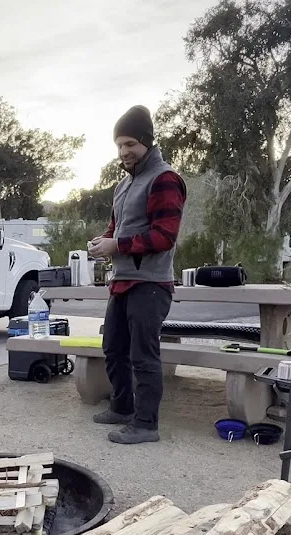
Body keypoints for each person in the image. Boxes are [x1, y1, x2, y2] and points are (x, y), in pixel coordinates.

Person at [88, 105, 186, 444]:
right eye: (119, 145)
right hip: (123, 280)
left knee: (144, 355)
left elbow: (164, 237)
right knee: (113, 348)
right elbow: (117, 227)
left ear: (146, 140)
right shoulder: (123, 185)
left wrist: (117, 245)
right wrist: (104, 242)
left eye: (130, 143)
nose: (124, 151)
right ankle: (122, 407)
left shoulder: (165, 180)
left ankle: (146, 425)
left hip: (152, 283)